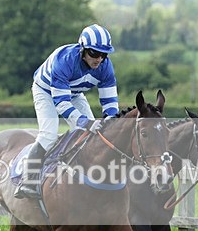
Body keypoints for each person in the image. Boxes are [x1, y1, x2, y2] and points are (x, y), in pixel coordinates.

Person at [15, 24, 120, 199]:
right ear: (83, 50)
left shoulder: (106, 67)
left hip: (75, 93)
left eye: (104, 54)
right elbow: (61, 103)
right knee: (49, 134)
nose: (99, 59)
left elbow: (110, 102)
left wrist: (110, 121)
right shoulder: (64, 60)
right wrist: (87, 123)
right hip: (47, 91)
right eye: (94, 53)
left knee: (93, 135)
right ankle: (28, 179)